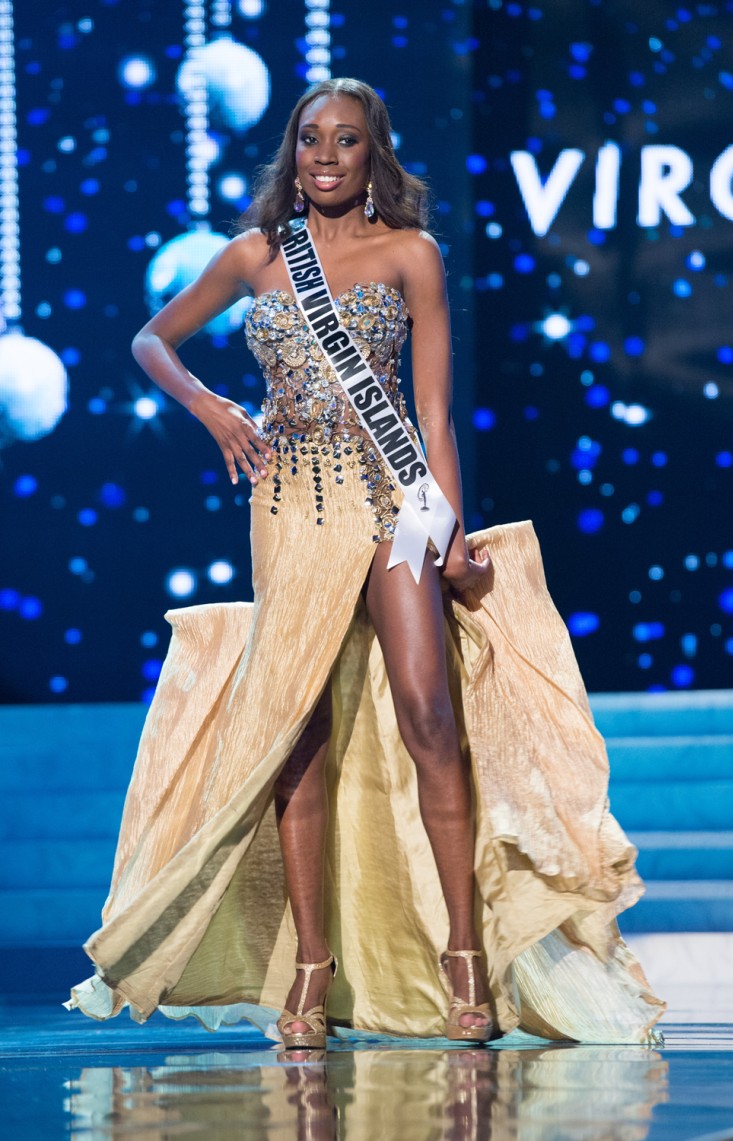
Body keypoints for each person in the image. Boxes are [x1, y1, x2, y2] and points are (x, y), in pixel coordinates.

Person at [67, 78, 665, 1049]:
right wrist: (213, 407)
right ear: (292, 153)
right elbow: (149, 338)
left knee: (429, 714)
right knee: (296, 743)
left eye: (347, 140)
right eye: (312, 140)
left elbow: (431, 415)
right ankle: (311, 966)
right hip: (290, 504)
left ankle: (463, 954)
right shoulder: (255, 257)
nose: (328, 156)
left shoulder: (410, 254)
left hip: (392, 498)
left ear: (373, 152)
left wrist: (451, 530)